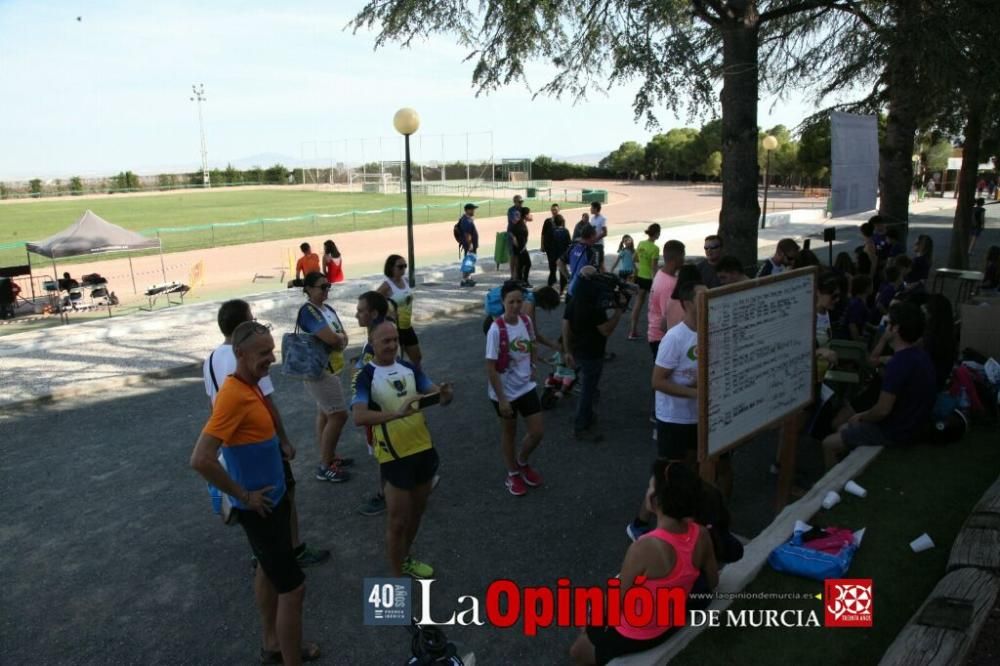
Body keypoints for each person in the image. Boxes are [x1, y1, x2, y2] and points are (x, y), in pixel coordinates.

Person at [190, 322, 321, 665]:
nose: (271, 358)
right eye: (263, 353)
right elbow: (201, 459)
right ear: (240, 354)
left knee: (266, 571)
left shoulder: (251, 386)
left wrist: (280, 444)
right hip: (259, 509)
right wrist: (244, 497)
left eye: (271, 350)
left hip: (273, 503)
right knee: (294, 590)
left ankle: (274, 646)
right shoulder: (233, 395)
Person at [204, 300, 330, 567]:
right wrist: (283, 439)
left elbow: (211, 405)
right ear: (243, 329)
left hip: (233, 443)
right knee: (283, 494)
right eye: (252, 319)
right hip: (256, 442)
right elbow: (266, 400)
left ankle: (262, 552)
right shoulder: (250, 358)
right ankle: (293, 548)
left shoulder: (211, 359)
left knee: (258, 509)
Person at [570, 461, 718, 666]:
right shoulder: (700, 534)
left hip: (638, 633)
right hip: (672, 619)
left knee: (578, 650)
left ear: (655, 500)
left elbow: (614, 603)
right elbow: (712, 581)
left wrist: (590, 624)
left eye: (650, 487)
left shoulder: (645, 547)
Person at [352, 319, 454, 578]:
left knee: (417, 513)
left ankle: (405, 558)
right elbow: (359, 417)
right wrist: (397, 414)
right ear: (371, 342)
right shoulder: (365, 376)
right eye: (385, 340)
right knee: (397, 522)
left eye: (395, 340)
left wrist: (444, 394)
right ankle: (397, 582)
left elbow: (436, 397)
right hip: (394, 455)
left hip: (422, 448)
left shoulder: (409, 368)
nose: (392, 345)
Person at [821, 302, 936, 469]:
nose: (885, 326)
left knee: (828, 443)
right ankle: (847, 465)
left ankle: (830, 488)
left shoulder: (899, 363)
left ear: (895, 329)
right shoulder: (920, 356)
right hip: (913, 424)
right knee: (844, 427)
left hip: (896, 431)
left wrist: (860, 417)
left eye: (888, 323)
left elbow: (882, 410)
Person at [485, 282, 545, 496]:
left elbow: (532, 344)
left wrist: (533, 365)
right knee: (509, 433)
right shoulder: (496, 329)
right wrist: (502, 399)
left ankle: (522, 461)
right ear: (503, 302)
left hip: (525, 386)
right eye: (511, 301)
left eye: (519, 301)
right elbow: (490, 367)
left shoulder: (526, 321)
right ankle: (513, 474)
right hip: (504, 392)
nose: (516, 305)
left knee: (537, 432)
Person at [297, 272, 352, 484]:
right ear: (309, 289)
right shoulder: (309, 311)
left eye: (328, 286)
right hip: (320, 371)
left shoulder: (326, 309)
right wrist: (338, 340)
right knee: (339, 415)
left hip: (330, 368)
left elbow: (342, 337)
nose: (326, 290)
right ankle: (325, 465)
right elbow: (332, 338)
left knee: (325, 413)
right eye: (322, 287)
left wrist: (339, 340)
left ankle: (328, 457)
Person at [562, 266, 625, 440]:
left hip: (577, 350)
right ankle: (581, 426)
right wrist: (618, 312)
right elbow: (606, 330)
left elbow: (565, 325)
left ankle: (586, 416)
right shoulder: (592, 305)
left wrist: (567, 351)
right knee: (588, 390)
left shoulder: (575, 299)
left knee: (587, 387)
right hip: (592, 353)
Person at [352, 291, 393, 517]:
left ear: (374, 313)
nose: (356, 314)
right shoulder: (386, 332)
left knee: (383, 452)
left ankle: (387, 494)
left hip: (379, 407)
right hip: (387, 402)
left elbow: (369, 376)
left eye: (360, 311)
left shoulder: (375, 344)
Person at [377, 254, 423, 367]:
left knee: (417, 358)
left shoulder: (406, 280)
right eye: (400, 266)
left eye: (405, 266)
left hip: (407, 327)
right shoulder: (387, 285)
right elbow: (374, 301)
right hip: (395, 329)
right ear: (391, 267)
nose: (403, 269)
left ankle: (418, 382)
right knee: (397, 361)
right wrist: (387, 312)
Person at [646, 241, 686, 358]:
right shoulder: (669, 284)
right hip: (662, 338)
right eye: (683, 255)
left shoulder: (660, 273)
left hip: (655, 334)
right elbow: (667, 321)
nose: (684, 259)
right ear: (677, 258)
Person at [630, 224, 661, 339]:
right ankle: (657, 331)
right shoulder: (655, 249)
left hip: (640, 277)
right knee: (655, 306)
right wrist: (656, 280)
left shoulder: (641, 244)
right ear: (657, 233)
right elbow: (654, 268)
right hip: (649, 279)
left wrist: (637, 269)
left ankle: (632, 331)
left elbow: (634, 259)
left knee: (638, 304)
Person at [921, 293, 957, 390]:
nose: (925, 315)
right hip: (938, 382)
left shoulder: (932, 338)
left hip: (928, 385)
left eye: (927, 311)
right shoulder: (947, 334)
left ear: (933, 314)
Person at [559, 223, 599, 300]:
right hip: (584, 294)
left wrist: (568, 277)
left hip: (571, 291)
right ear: (591, 236)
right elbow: (595, 273)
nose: (596, 237)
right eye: (595, 235)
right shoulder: (593, 252)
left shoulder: (572, 247)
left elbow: (559, 262)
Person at [546, 214, 571, 293]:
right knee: (562, 272)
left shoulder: (551, 231)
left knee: (552, 272)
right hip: (562, 255)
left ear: (554, 222)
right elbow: (569, 243)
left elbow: (547, 243)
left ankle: (550, 288)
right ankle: (562, 290)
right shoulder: (565, 231)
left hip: (552, 255)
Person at [842, 274, 872, 342]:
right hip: (850, 341)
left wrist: (873, 327)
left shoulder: (859, 302)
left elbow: (861, 321)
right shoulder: (857, 304)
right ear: (867, 288)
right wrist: (858, 340)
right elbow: (852, 325)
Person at [458, 203, 480, 287]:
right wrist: (470, 244)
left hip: (470, 245)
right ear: (467, 210)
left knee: (470, 262)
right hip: (469, 245)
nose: (474, 211)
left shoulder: (468, 219)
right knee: (468, 262)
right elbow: (467, 234)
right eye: (472, 209)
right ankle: (464, 280)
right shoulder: (466, 220)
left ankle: (468, 278)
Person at [513, 206, 533, 284]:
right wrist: (522, 249)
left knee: (521, 265)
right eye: (529, 214)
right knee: (527, 264)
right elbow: (520, 240)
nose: (530, 215)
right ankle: (524, 281)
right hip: (521, 249)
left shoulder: (520, 223)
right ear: (525, 215)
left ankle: (520, 281)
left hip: (520, 248)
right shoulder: (521, 226)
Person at [507, 195, 524, 280]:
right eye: (519, 202)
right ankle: (512, 275)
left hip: (521, 235)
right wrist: (522, 216)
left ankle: (517, 274)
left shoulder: (522, 209)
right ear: (515, 202)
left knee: (519, 255)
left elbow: (530, 218)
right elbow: (514, 221)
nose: (521, 203)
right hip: (512, 235)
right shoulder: (511, 210)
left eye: (522, 202)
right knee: (513, 256)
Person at [589, 201, 608, 270]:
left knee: (600, 264)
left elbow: (605, 232)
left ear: (596, 208)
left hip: (598, 245)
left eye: (591, 208)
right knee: (594, 264)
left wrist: (596, 239)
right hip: (592, 245)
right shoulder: (592, 219)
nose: (590, 209)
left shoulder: (602, 219)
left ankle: (606, 279)